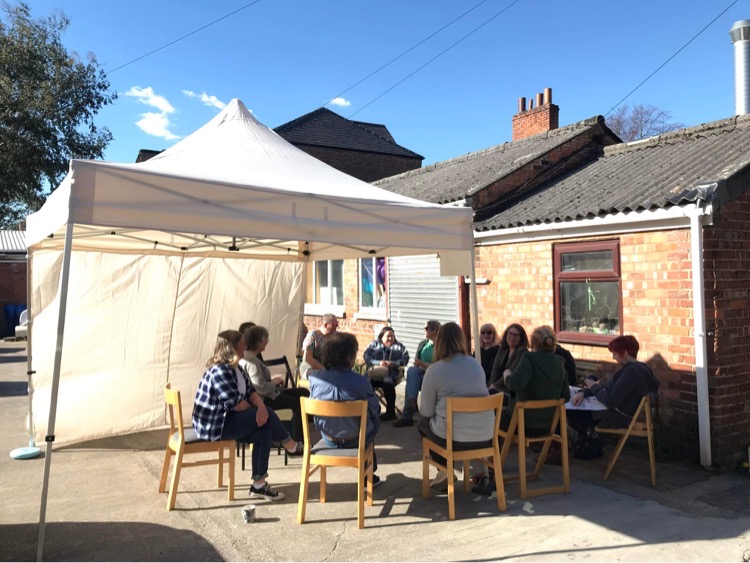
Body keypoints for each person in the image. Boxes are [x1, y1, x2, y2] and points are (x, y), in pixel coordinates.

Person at [192, 330, 303, 501]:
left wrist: (260, 407)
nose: (245, 345)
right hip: (216, 425)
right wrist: (260, 409)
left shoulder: (237, 368)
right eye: (242, 342)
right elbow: (235, 404)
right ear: (232, 347)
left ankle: (259, 485)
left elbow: (251, 392)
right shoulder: (220, 371)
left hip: (230, 419)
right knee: (268, 416)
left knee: (264, 431)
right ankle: (290, 445)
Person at [474, 325, 569, 495]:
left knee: (490, 416)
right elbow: (566, 396)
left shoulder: (528, 358)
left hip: (522, 423)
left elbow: (513, 384)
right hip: (547, 425)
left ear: (533, 342)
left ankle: (491, 473)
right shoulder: (560, 363)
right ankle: (493, 471)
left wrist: (508, 374)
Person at [417, 322, 494, 490]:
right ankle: (445, 471)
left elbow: (426, 411)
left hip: (454, 439)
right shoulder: (475, 365)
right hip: (485, 436)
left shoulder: (434, 371)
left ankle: (444, 469)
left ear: (439, 342)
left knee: (422, 422)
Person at [309, 332, 383, 486]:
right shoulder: (361, 382)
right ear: (350, 357)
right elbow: (375, 411)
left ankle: (368, 472)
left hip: (328, 438)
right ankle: (368, 474)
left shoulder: (315, 379)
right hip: (356, 439)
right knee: (370, 424)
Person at [569, 335, 659, 429]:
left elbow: (610, 401)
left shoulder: (631, 373)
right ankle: (586, 439)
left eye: (615, 354)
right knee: (575, 410)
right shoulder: (639, 368)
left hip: (616, 417)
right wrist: (584, 392)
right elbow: (606, 386)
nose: (613, 357)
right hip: (615, 413)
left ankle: (587, 440)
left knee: (572, 413)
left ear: (624, 353)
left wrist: (593, 386)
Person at [240, 325, 310, 442]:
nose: (267, 341)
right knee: (299, 405)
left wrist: (273, 381)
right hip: (264, 398)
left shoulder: (249, 356)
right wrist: (275, 381)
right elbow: (261, 388)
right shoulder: (251, 360)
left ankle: (302, 429)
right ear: (259, 342)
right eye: (265, 339)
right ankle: (296, 440)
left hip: (268, 392)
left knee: (303, 392)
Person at [393, 320, 440, 428]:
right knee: (411, 372)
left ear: (434, 330)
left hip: (434, 376)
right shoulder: (422, 344)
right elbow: (416, 363)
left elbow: (439, 367)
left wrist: (422, 364)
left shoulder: (441, 346)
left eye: (426, 329)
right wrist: (420, 365)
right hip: (421, 373)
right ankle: (412, 402)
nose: (424, 331)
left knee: (412, 381)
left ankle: (407, 415)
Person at [363, 326, 410, 421]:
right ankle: (371, 410)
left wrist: (393, 364)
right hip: (374, 373)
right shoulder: (373, 345)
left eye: (392, 336)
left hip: (392, 374)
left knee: (387, 384)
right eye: (388, 336)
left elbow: (405, 359)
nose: (390, 338)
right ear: (381, 336)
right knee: (365, 384)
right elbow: (366, 356)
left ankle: (390, 412)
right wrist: (378, 362)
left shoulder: (399, 347)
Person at [487, 324, 529, 394]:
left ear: (521, 338)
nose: (512, 337)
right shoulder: (503, 349)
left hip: (510, 388)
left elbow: (511, 371)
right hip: (497, 386)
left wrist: (495, 386)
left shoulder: (522, 352)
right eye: (510, 334)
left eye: (516, 335)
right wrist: (492, 384)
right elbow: (495, 368)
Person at [299, 313, 338, 379]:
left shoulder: (332, 337)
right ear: (326, 325)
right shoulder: (313, 335)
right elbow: (308, 358)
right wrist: (324, 371)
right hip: (309, 369)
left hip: (326, 370)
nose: (336, 327)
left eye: (337, 324)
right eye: (334, 325)